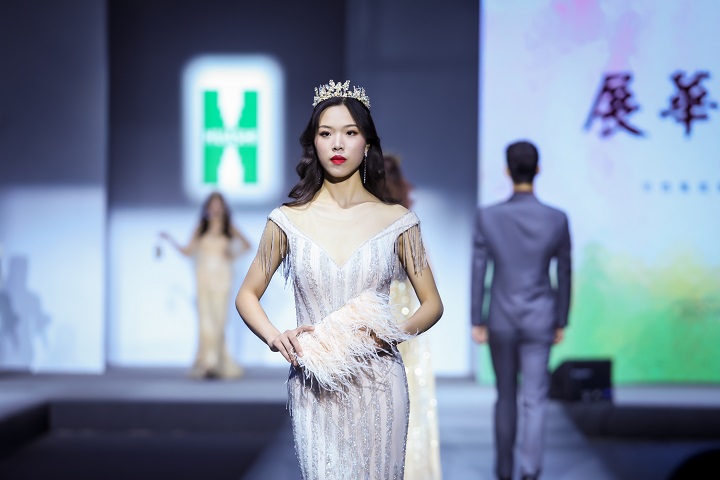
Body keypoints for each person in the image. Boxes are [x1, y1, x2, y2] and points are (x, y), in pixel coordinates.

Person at [235, 80, 443, 479]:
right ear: (313, 143)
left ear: (367, 144)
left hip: (380, 381)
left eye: (350, 132)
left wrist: (389, 335)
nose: (337, 144)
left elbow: (432, 303)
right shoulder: (286, 221)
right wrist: (275, 337)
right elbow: (247, 293)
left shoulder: (399, 222)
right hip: (314, 386)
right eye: (326, 133)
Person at [470, 140, 572, 480]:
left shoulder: (488, 216)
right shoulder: (556, 219)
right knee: (535, 399)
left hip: (501, 316)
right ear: (538, 169)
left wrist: (477, 318)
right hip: (541, 316)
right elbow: (564, 272)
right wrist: (561, 319)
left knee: (505, 396)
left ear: (506, 170)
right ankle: (530, 472)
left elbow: (479, 269)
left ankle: (503, 471)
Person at [384, 153, 443, 480]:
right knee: (411, 400)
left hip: (383, 322)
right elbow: (430, 282)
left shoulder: (375, 223)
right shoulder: (406, 223)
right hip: (408, 322)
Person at [160, 191, 251, 379]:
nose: (215, 208)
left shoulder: (228, 228)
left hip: (223, 278)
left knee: (219, 321)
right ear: (208, 207)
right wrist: (170, 240)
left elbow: (247, 245)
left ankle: (215, 363)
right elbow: (187, 251)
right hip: (203, 278)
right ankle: (208, 363)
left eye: (219, 204)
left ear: (223, 207)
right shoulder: (200, 228)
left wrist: (232, 254)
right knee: (205, 321)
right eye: (212, 204)